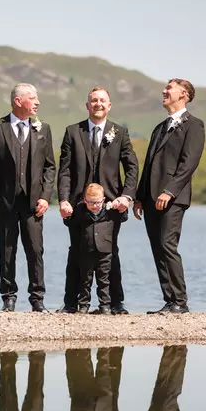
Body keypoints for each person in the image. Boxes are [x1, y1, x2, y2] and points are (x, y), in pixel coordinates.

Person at [57, 87, 139, 314]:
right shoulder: (73, 132)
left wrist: (127, 196)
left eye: (102, 100)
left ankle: (114, 303)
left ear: (109, 105)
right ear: (87, 106)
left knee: (110, 253)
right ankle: (72, 304)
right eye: (94, 101)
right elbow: (64, 171)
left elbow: (131, 167)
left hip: (111, 206)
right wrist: (64, 200)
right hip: (78, 207)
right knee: (76, 252)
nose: (98, 104)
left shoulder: (120, 132)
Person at [0, 83, 56, 312]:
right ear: (17, 101)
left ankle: (37, 299)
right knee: (7, 249)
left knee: (35, 249)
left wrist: (45, 196)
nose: (37, 102)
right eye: (32, 98)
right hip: (5, 202)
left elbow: (50, 167)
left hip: (34, 203)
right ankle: (8, 297)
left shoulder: (44, 129)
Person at [135, 79, 206, 315]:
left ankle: (180, 301)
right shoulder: (159, 127)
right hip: (150, 199)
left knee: (167, 245)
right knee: (157, 248)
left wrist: (169, 190)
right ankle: (170, 301)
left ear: (183, 94)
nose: (164, 91)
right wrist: (139, 196)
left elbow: (189, 163)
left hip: (172, 198)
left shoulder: (194, 125)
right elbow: (149, 166)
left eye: (169, 88)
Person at [68, 184, 116, 314]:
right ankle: (83, 305)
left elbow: (124, 217)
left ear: (103, 200)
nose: (94, 205)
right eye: (90, 202)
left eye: (97, 202)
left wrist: (119, 206)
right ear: (85, 200)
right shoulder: (80, 211)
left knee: (104, 280)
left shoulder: (110, 211)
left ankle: (105, 305)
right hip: (86, 251)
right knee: (85, 279)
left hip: (105, 252)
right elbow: (69, 221)